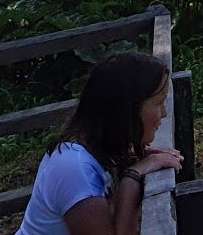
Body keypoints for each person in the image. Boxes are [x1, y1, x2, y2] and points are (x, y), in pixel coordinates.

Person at [16, 52, 182, 235]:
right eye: (158, 103)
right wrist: (133, 177)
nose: (164, 113)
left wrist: (133, 161)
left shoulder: (93, 150)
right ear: (127, 109)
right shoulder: (75, 168)